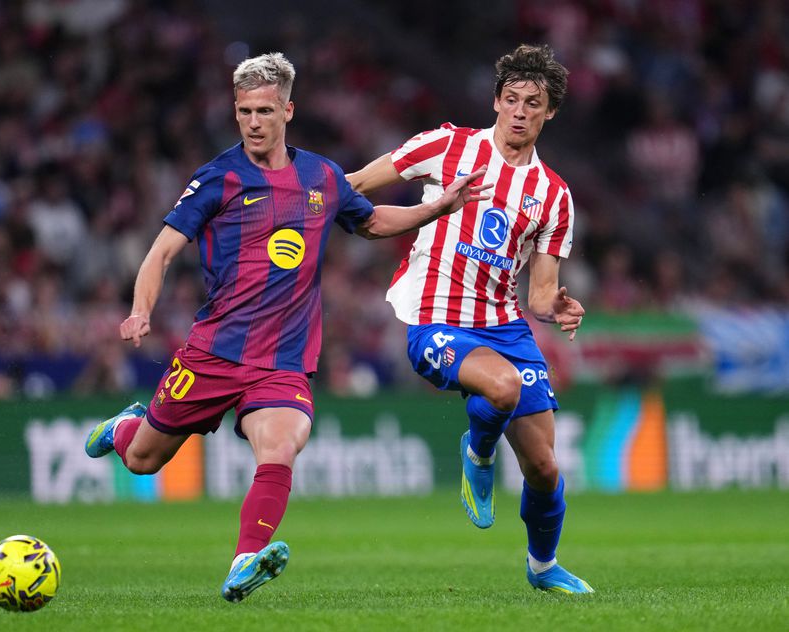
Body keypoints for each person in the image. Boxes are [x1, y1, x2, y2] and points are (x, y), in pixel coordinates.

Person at [83, 52, 490, 603]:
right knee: (142, 460)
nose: (253, 122)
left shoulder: (322, 176)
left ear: (287, 111)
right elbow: (160, 254)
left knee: (279, 447)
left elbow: (371, 221)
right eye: (244, 111)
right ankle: (124, 428)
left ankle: (244, 561)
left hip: (284, 360)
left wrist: (438, 207)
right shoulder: (217, 178)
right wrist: (140, 310)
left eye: (265, 111)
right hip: (214, 353)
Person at [347, 44, 593, 594]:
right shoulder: (448, 145)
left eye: (533, 103)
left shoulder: (554, 195)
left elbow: (540, 294)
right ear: (496, 101)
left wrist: (556, 307)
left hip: (505, 325)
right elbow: (356, 183)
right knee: (502, 388)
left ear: (550, 111)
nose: (520, 111)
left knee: (545, 468)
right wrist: (301, 206)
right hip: (435, 317)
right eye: (512, 99)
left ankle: (543, 567)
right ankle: (478, 453)